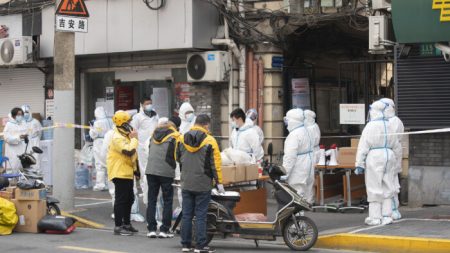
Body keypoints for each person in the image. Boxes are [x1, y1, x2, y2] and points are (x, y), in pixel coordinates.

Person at [177, 114, 224, 253]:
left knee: (186, 214)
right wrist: (219, 182)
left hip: (186, 182)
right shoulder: (210, 141)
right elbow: (215, 164)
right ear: (205, 125)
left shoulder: (181, 138)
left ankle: (185, 244)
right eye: (208, 126)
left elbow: (176, 157)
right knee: (201, 215)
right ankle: (200, 245)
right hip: (203, 183)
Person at [355, 101, 401, 226]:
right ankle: (387, 215)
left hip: (374, 157)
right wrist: (397, 162)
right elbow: (397, 146)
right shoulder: (390, 125)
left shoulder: (371, 126)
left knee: (374, 187)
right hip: (389, 156)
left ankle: (375, 217)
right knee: (388, 186)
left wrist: (359, 163)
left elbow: (363, 145)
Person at [145, 120, 181, 239]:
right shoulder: (175, 137)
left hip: (151, 170)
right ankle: (164, 230)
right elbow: (178, 156)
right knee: (167, 200)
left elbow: (149, 151)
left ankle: (151, 229)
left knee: (152, 200)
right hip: (166, 172)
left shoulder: (152, 135)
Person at [107, 110, 140, 236]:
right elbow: (129, 151)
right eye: (128, 122)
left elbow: (133, 155)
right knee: (121, 199)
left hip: (127, 171)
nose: (130, 124)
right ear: (123, 123)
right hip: (119, 172)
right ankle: (118, 226)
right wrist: (135, 139)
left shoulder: (125, 135)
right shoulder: (117, 137)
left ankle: (126, 223)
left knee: (129, 198)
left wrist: (136, 170)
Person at [130, 97, 159, 211]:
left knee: (153, 170)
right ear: (142, 105)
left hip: (154, 145)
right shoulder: (137, 117)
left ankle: (150, 190)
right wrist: (137, 143)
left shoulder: (155, 115)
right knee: (144, 171)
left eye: (150, 103)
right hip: (142, 147)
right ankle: (145, 191)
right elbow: (133, 131)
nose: (149, 105)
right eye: (147, 104)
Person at [282, 108, 315, 204]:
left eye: (287, 120)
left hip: (298, 170)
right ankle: (302, 218)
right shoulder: (307, 131)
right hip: (308, 168)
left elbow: (290, 157)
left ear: (292, 121)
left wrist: (285, 173)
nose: (286, 123)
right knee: (305, 197)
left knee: (296, 196)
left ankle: (298, 218)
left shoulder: (293, 135)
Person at [379, 98, 405, 220]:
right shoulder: (384, 121)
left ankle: (393, 210)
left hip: (392, 154)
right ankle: (385, 209)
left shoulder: (394, 121)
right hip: (387, 154)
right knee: (385, 183)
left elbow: (391, 139)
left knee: (391, 183)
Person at [90, 106, 113, 191]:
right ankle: (109, 183)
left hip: (99, 143)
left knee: (100, 164)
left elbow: (93, 134)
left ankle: (100, 184)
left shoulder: (97, 123)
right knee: (109, 162)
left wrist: (91, 128)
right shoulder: (110, 121)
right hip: (109, 141)